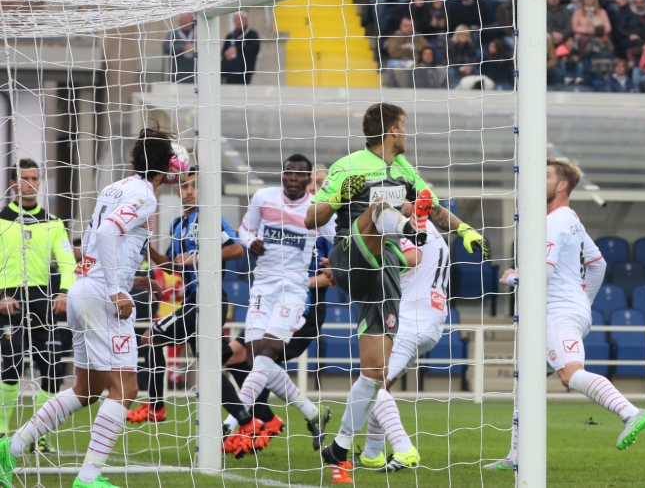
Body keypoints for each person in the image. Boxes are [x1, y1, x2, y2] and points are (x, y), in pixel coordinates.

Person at [307, 103, 485, 482]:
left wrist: (465, 229)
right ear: (391, 130)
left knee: (374, 374)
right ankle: (406, 225)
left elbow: (435, 208)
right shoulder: (348, 165)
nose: (407, 133)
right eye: (404, 126)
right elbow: (312, 218)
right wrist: (340, 197)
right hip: (352, 250)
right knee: (378, 209)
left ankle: (340, 447)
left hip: (384, 272)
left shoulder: (405, 171)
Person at [0, 129, 176, 488]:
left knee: (86, 388)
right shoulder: (145, 195)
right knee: (126, 388)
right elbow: (111, 232)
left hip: (82, 289)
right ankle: (89, 476)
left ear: (134, 159)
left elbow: (103, 238)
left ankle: (11, 449)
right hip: (101, 296)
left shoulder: (117, 187)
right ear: (168, 168)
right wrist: (116, 290)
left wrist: (130, 281)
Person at [485, 158, 645, 471]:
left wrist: (511, 277)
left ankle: (631, 413)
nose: (539, 179)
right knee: (526, 383)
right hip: (566, 308)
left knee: (569, 374)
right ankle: (516, 457)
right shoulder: (570, 218)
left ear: (562, 185)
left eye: (546, 175)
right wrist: (584, 302)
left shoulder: (554, 222)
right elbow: (598, 263)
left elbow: (542, 275)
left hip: (556, 312)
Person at [222, 154, 329, 458]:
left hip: (295, 294)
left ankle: (233, 423)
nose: (293, 179)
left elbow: (341, 244)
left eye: (301, 175)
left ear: (308, 180)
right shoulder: (263, 198)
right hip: (261, 290)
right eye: (288, 173)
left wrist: (334, 265)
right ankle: (311, 413)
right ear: (282, 175)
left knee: (265, 354)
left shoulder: (320, 212)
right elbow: (245, 229)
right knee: (259, 360)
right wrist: (249, 241)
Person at [124, 169, 248, 427]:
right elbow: (172, 265)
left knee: (150, 338)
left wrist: (198, 257)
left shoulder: (211, 218)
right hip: (193, 302)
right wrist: (146, 249)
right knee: (211, 367)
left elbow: (236, 249)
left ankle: (155, 406)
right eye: (184, 187)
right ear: (177, 191)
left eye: (194, 186)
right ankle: (248, 421)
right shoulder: (176, 225)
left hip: (208, 300)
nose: (189, 191)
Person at [354, 218, 449, 472]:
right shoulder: (434, 232)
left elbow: (412, 256)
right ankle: (372, 454)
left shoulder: (407, 223)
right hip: (432, 319)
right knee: (380, 385)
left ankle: (405, 449)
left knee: (371, 384)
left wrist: (363, 263)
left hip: (409, 318)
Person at [0, 159, 76, 454]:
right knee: (12, 365)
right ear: (13, 184)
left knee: (54, 368)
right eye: (25, 178)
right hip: (10, 302)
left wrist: (65, 291)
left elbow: (68, 263)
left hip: (45, 302)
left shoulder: (53, 223)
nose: (30, 183)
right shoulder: (2, 221)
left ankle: (37, 434)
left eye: (35, 178)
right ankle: (3, 433)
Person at [221, 12, 261, 85]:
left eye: (241, 19)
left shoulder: (252, 34)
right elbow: (223, 52)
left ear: (246, 20)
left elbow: (254, 48)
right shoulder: (230, 36)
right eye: (236, 19)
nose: (238, 22)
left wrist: (237, 50)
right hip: (229, 73)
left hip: (244, 72)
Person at [163, 13, 195, 82]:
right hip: (177, 72)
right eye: (184, 20)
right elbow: (166, 47)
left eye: (188, 19)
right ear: (179, 21)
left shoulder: (197, 33)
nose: (186, 22)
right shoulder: (173, 33)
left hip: (194, 72)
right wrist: (183, 48)